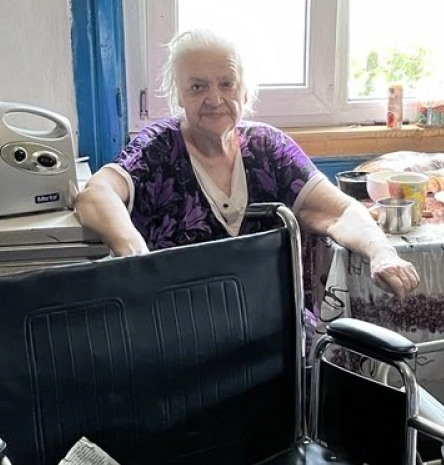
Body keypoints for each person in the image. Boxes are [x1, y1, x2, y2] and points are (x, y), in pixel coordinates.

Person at [76, 28, 420, 303]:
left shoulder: (269, 148)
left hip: (272, 330)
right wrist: (135, 254)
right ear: (179, 95)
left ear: (244, 91)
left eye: (227, 84)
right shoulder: (158, 148)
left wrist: (381, 252)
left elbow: (339, 212)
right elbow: (96, 194)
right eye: (197, 87)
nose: (214, 99)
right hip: (180, 331)